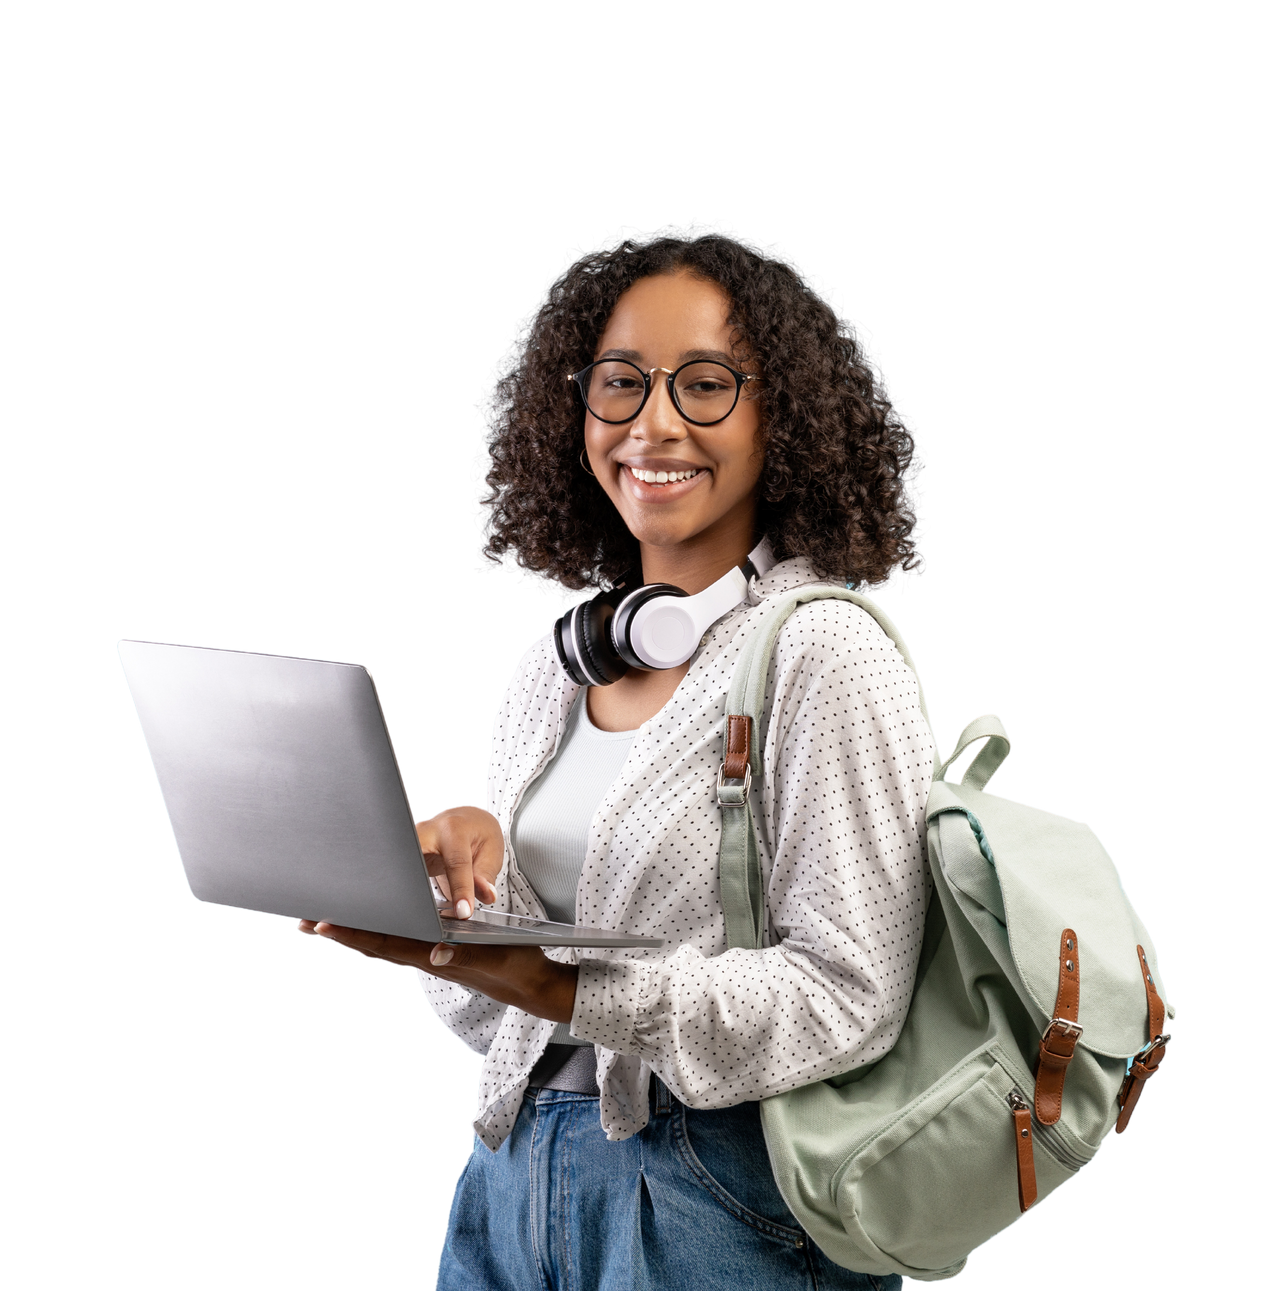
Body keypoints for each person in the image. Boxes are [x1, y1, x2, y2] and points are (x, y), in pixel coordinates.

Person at [303, 224, 937, 1289]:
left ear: (779, 410)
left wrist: (573, 991)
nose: (652, 424)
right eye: (620, 383)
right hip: (507, 1180)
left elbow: (849, 996)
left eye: (704, 385)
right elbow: (504, 1017)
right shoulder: (553, 672)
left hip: (714, 1197)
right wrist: (452, 920)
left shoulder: (827, 653)